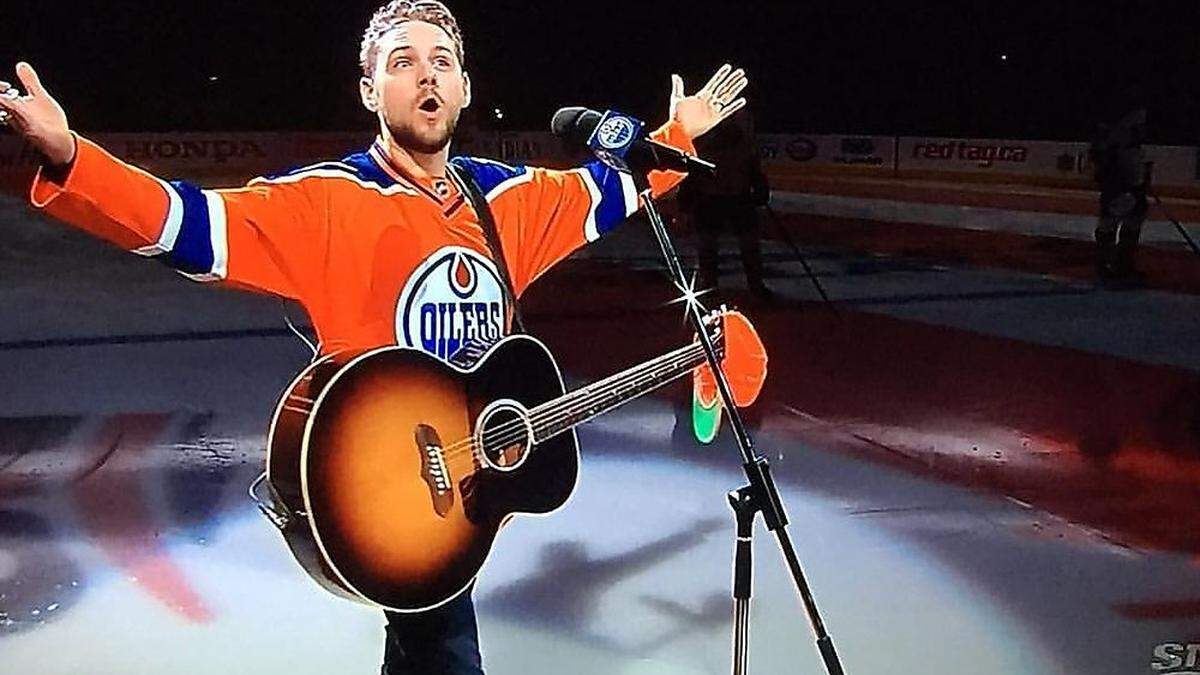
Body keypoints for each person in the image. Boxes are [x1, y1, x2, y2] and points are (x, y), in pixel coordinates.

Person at [0, 2, 749, 673]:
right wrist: (73, 160)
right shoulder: (330, 201)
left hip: (471, 482)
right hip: (382, 480)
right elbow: (189, 225)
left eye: (441, 62)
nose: (426, 75)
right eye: (402, 62)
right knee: (445, 643)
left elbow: (609, 189)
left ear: (463, 89)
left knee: (424, 630)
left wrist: (676, 136)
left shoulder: (508, 200)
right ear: (369, 91)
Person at [677, 107, 771, 298]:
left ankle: (754, 284)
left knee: (747, 243)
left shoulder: (743, 132)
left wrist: (760, 187)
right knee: (708, 244)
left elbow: (752, 165)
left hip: (737, 194)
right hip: (711, 196)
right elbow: (692, 170)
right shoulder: (704, 133)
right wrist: (686, 201)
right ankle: (710, 286)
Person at [1090, 103, 1150, 280]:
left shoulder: (1131, 144)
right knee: (1110, 221)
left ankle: (1121, 263)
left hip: (1131, 183)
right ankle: (1106, 265)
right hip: (1117, 184)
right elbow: (1101, 161)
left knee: (1134, 219)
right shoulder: (1112, 137)